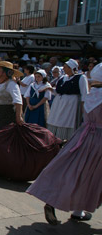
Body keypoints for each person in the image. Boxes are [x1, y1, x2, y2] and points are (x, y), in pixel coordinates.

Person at [27, 63, 102, 224]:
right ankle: (78, 210)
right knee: (93, 176)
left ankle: (67, 206)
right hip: (97, 139)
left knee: (74, 170)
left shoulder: (92, 94)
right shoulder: (88, 93)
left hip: (84, 136)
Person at [47, 59, 89, 140]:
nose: (64, 69)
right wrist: (51, 89)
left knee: (67, 121)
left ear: (71, 68)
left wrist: (83, 108)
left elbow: (84, 94)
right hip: (58, 103)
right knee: (55, 120)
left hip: (71, 103)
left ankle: (67, 140)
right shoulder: (62, 78)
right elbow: (59, 91)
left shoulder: (80, 77)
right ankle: (55, 140)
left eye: (66, 67)